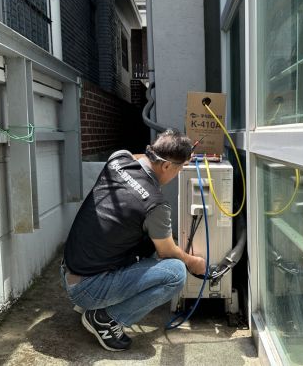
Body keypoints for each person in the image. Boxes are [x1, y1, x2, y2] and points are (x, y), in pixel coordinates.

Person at [61, 129, 206, 352]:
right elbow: (167, 252)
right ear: (166, 166)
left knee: (149, 241)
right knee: (176, 273)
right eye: (179, 169)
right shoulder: (156, 205)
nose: (177, 175)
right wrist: (193, 262)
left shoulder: (117, 160)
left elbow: (136, 156)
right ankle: (105, 318)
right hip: (86, 288)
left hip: (70, 269)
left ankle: (95, 301)